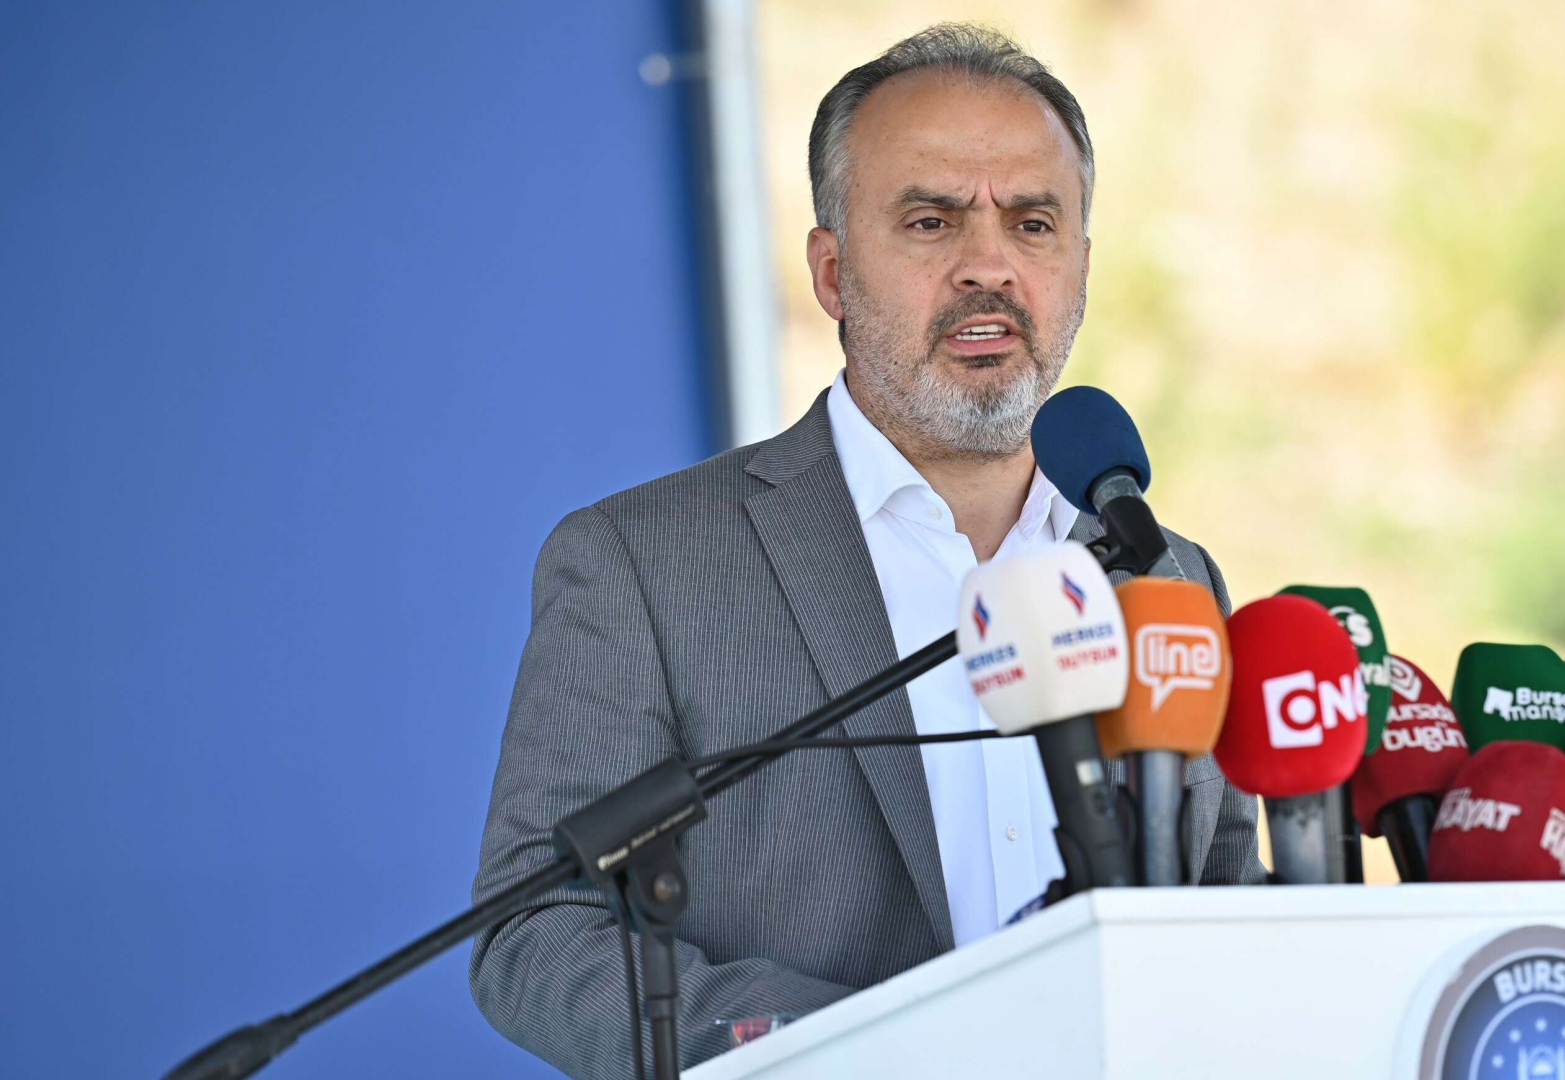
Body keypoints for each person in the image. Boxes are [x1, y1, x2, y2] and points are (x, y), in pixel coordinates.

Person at [470, 23, 1263, 1077]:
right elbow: (535, 930)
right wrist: (871, 1056)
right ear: (833, 272)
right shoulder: (641, 567)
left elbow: (1225, 904)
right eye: (932, 221)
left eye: (1033, 223)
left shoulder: (1165, 576)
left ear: (1080, 262)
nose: (990, 266)